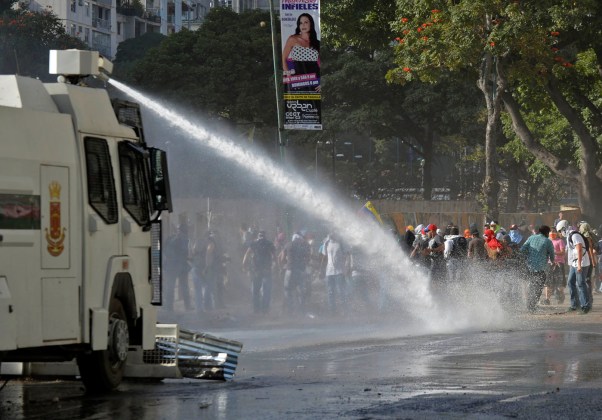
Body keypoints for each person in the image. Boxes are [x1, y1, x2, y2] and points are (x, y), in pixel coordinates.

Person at [557, 220, 591, 314]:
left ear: (564, 229)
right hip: (574, 264)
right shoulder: (569, 237)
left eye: (560, 231)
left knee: (580, 283)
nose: (560, 233)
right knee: (570, 282)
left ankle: (585, 306)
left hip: (581, 263)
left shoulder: (574, 235)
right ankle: (574, 305)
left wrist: (579, 264)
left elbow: (579, 249)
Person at [282, 13, 320, 92]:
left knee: (315, 104)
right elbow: (284, 58)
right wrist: (288, 75)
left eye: (306, 22)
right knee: (297, 102)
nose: (303, 25)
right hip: (297, 80)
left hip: (314, 80)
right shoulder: (292, 39)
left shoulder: (317, 43)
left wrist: (322, 82)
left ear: (311, 24)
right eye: (301, 23)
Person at [520, 225, 555, 313]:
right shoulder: (547, 241)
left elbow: (523, 249)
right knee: (538, 288)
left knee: (531, 286)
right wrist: (553, 262)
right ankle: (532, 306)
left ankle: (529, 305)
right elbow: (552, 255)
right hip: (540, 269)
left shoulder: (531, 238)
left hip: (530, 267)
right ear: (547, 233)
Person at [243, 230, 276, 314]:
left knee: (255, 291)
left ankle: (256, 309)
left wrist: (244, 265)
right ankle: (265, 309)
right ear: (265, 236)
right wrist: (275, 266)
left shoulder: (253, 243)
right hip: (266, 270)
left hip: (256, 270)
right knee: (266, 290)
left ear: (258, 236)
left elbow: (247, 254)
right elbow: (274, 256)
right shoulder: (269, 243)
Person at [279, 233, 311, 314]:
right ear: (298, 239)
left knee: (288, 290)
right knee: (301, 291)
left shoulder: (288, 245)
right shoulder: (302, 247)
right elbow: (308, 258)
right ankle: (302, 311)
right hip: (300, 271)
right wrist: (304, 264)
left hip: (289, 270)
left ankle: (290, 309)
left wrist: (284, 265)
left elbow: (282, 258)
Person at [164, 223, 192, 311]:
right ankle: (187, 306)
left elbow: (164, 250)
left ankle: (169, 307)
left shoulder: (171, 238)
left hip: (171, 266)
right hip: (181, 266)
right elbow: (185, 252)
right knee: (184, 286)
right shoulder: (184, 239)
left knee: (170, 287)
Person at [320, 232, 350, 315]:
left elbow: (347, 256)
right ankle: (332, 311)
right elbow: (324, 257)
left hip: (339, 271)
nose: (331, 234)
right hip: (329, 272)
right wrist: (321, 269)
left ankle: (345, 310)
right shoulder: (326, 243)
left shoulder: (341, 243)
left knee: (341, 291)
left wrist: (347, 268)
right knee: (330, 292)